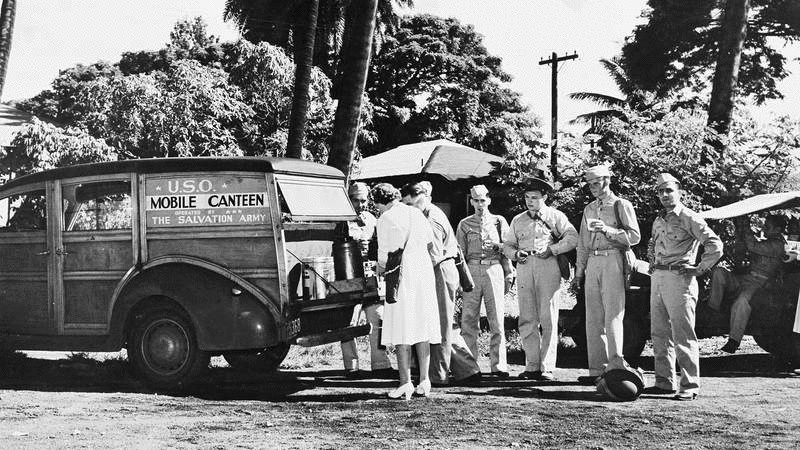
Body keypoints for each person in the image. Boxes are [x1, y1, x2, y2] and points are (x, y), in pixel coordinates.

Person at [646, 173, 723, 401]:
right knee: (659, 332)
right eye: (660, 191)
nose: (664, 195)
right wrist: (651, 262)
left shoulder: (689, 217)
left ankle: (689, 385)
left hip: (680, 280)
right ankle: (664, 381)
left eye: (669, 190)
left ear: (679, 191)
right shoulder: (659, 219)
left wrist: (699, 268)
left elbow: (715, 245)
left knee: (683, 333)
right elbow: (652, 243)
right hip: (658, 277)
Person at [401, 181, 481, 386]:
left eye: (413, 204)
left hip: (439, 271)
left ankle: (438, 375)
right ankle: (467, 370)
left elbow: (433, 256)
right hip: (439, 270)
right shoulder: (425, 213)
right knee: (441, 324)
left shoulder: (431, 219)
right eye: (406, 205)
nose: (410, 209)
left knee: (440, 325)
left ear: (425, 198)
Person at [503, 175, 578, 381]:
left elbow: (573, 237)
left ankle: (547, 367)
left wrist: (553, 249)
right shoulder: (518, 220)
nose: (530, 201)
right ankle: (532, 365)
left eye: (534, 197)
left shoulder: (555, 216)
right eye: (527, 197)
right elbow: (508, 244)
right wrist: (515, 254)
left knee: (548, 317)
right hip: (525, 266)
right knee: (527, 317)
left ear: (544, 197)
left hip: (548, 266)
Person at [372, 183, 441, 400]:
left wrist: (379, 269)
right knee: (422, 326)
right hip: (423, 272)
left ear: (380, 203)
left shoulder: (385, 219)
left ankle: (405, 383)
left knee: (402, 327)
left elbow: (384, 255)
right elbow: (430, 243)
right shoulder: (416, 213)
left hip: (402, 276)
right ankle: (425, 381)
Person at [573, 165, 641, 385]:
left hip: (613, 258)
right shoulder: (589, 208)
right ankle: (596, 370)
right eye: (589, 184)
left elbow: (635, 237)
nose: (592, 187)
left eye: (596, 183)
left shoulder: (621, 204)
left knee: (613, 314)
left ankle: (616, 365)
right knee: (593, 316)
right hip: (593, 261)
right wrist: (579, 273)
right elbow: (583, 243)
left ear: (607, 180)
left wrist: (607, 230)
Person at [339, 182, 397, 379]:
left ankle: (380, 364)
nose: (360, 204)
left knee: (378, 317)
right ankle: (351, 366)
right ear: (349, 199)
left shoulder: (373, 219)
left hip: (370, 275)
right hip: (348, 277)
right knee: (349, 322)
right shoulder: (341, 220)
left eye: (363, 200)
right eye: (356, 200)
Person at [456, 185, 514, 378]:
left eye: (483, 200)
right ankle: (469, 366)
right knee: (468, 319)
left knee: (496, 318)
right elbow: (460, 254)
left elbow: (508, 248)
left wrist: (508, 272)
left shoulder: (499, 221)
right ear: (471, 201)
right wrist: (460, 279)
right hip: (472, 269)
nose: (480, 204)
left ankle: (499, 366)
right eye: (476, 200)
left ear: (489, 200)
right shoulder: (465, 224)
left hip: (493, 268)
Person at [708, 215, 787, 353]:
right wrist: (740, 230)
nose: (764, 229)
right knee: (719, 272)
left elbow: (753, 246)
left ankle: (734, 340)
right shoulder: (767, 242)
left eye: (767, 226)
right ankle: (712, 311)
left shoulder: (778, 245)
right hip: (746, 278)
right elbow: (746, 248)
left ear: (778, 229)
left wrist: (746, 227)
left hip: (759, 282)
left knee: (742, 302)